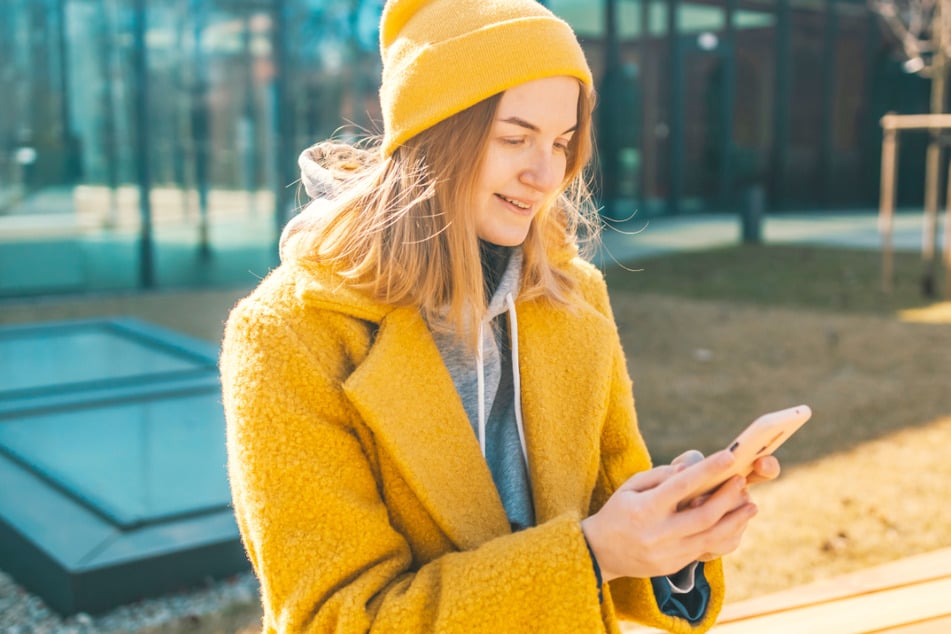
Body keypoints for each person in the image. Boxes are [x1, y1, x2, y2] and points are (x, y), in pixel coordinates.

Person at [219, 0, 779, 632]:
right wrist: (590, 555)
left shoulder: (574, 300)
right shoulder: (288, 335)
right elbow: (335, 618)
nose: (546, 174)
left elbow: (611, 523)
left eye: (562, 143)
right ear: (433, 135)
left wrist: (680, 534)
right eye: (515, 138)